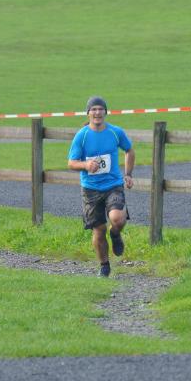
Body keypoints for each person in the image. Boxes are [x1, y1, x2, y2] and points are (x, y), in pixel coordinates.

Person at [67, 96, 135, 277]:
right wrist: (86, 165)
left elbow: (129, 150)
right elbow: (71, 163)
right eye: (94, 109)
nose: (97, 112)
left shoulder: (115, 132)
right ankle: (104, 266)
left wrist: (128, 174)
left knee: (117, 219)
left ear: (106, 112)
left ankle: (116, 234)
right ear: (88, 113)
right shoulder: (82, 136)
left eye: (100, 109)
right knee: (99, 230)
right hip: (90, 189)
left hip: (113, 185)